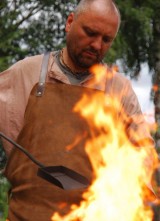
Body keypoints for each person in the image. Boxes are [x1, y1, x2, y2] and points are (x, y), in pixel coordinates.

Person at [0, 0, 156, 220]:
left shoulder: (118, 89)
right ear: (70, 22)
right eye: (90, 33)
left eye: (106, 40)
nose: (96, 45)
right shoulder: (28, 72)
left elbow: (143, 155)